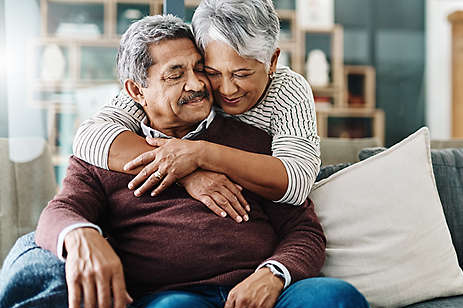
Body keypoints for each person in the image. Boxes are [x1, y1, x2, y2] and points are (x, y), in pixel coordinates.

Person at [0, 15, 377, 308]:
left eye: (199, 69)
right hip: (173, 298)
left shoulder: (252, 140)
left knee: (335, 299)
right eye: (175, 74)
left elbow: (303, 230)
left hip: (264, 295)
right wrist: (81, 236)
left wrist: (273, 274)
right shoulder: (106, 151)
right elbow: (59, 212)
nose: (198, 84)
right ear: (136, 91)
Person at [73, 0, 320, 223]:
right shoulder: (193, 87)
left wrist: (201, 154)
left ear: (272, 61)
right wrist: (189, 172)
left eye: (241, 74)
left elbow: (297, 182)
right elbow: (89, 136)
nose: (226, 89)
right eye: (212, 72)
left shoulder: (287, 91)